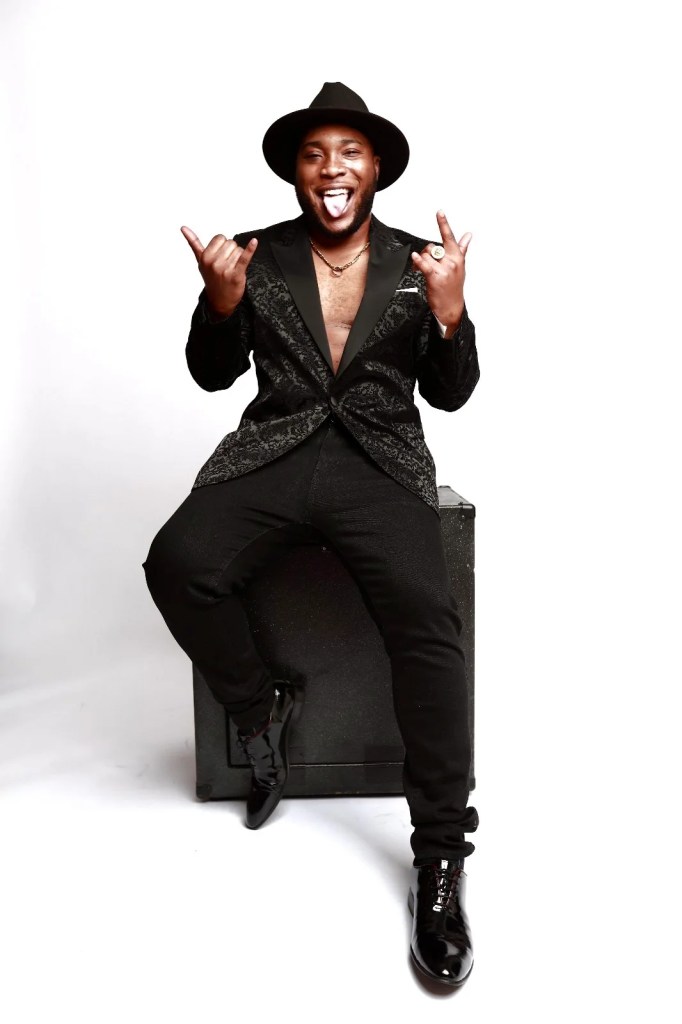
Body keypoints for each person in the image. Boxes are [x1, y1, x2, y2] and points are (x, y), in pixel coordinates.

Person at [142, 82, 481, 987]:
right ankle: (261, 710)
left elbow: (451, 394)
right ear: (297, 171)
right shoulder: (257, 254)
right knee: (177, 564)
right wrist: (220, 305)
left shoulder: (419, 261)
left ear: (376, 169)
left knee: (430, 629)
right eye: (314, 153)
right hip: (277, 448)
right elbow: (210, 375)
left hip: (379, 459)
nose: (332, 168)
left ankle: (441, 863)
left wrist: (451, 314)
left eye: (349, 152)